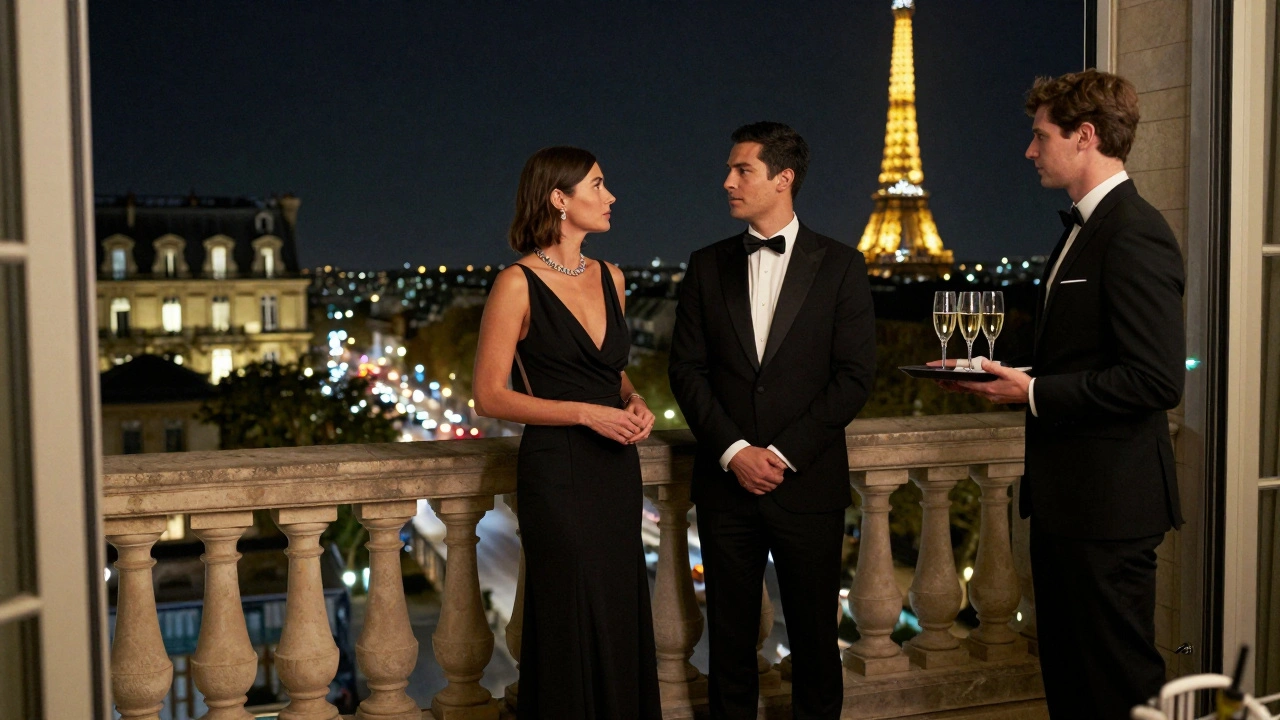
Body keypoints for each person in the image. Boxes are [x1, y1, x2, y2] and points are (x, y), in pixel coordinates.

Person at [945, 70, 1185, 719]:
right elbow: (1079, 351)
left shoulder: (1134, 231)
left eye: (1040, 135)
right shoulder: (1085, 228)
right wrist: (997, 369)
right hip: (1071, 505)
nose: (1029, 150)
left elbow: (1157, 378)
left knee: (1117, 685)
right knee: (1074, 683)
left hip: (1109, 510)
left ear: (1085, 136)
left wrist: (1035, 392)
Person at [668, 122, 877, 720]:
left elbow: (854, 377)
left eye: (742, 170)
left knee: (816, 642)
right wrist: (734, 451)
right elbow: (686, 370)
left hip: (806, 485)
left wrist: (782, 455)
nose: (727, 182)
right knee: (729, 644)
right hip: (726, 486)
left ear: (783, 178)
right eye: (729, 170)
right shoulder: (706, 265)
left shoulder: (842, 265)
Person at [472, 146, 661, 720]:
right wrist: (585, 414)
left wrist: (633, 399)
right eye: (598, 185)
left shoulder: (613, 278)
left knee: (619, 609)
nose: (611, 196)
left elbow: (610, 371)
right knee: (570, 616)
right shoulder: (516, 284)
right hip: (558, 470)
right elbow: (490, 396)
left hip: (616, 469)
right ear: (559, 198)